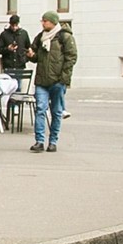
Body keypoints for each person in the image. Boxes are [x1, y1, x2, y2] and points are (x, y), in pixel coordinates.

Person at [30, 11, 77, 153]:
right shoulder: (40, 37)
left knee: (56, 112)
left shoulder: (64, 37)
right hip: (41, 81)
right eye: (42, 21)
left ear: (53, 22)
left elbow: (71, 57)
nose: (43, 23)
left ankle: (53, 141)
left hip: (57, 81)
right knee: (40, 109)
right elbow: (36, 56)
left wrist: (64, 79)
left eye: (45, 21)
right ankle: (39, 141)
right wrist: (31, 55)